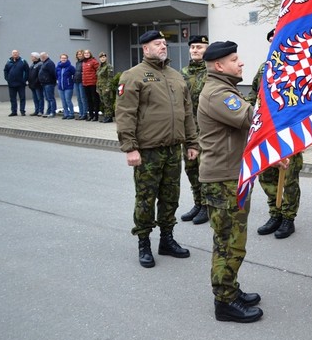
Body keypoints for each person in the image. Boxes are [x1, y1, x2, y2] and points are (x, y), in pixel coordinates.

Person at [115, 30, 199, 269]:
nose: (163, 47)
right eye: (157, 44)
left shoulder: (176, 76)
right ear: (145, 49)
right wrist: (130, 148)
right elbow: (125, 114)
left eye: (164, 43)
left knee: (170, 197)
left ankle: (167, 239)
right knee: (145, 198)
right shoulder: (133, 76)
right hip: (148, 150)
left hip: (173, 149)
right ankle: (144, 243)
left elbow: (187, 113)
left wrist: (192, 143)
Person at [197, 40, 268, 323]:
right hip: (224, 178)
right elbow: (253, 119)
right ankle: (224, 301)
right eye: (235, 59)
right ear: (219, 66)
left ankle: (230, 288)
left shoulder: (225, 89)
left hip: (232, 174)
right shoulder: (217, 94)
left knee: (231, 239)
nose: (240, 63)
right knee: (229, 241)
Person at [248, 28, 303, 240]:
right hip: (265, 130)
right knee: (267, 174)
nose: (274, 42)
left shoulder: (296, 66)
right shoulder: (264, 68)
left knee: (288, 177)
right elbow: (254, 91)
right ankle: (275, 212)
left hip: (289, 131)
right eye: (271, 39)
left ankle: (288, 218)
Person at [179, 35, 210, 225]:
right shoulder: (182, 73)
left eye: (199, 47)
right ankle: (197, 203)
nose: (195, 50)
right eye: (192, 47)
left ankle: (207, 205)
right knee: (191, 168)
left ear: (207, 49)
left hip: (207, 130)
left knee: (204, 168)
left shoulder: (213, 71)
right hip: (189, 130)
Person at [3, 49, 29, 116]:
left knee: (22, 98)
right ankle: (14, 111)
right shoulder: (8, 62)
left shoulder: (23, 61)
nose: (15, 54)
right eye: (14, 53)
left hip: (21, 83)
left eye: (16, 53)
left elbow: (27, 71)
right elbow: (5, 71)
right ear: (11, 54)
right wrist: (7, 79)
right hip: (11, 84)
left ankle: (22, 111)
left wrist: (24, 80)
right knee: (12, 98)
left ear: (18, 54)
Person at [55, 53, 76, 119]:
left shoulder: (70, 67)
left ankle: (71, 114)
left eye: (65, 58)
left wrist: (70, 81)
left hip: (68, 87)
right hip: (60, 87)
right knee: (63, 101)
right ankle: (66, 114)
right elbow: (56, 75)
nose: (63, 59)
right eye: (62, 58)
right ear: (60, 59)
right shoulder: (58, 67)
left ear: (67, 59)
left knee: (68, 100)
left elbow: (75, 74)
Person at [82, 49, 100, 122]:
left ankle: (96, 116)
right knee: (89, 100)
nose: (86, 54)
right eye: (85, 53)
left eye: (88, 53)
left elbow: (98, 71)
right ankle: (91, 115)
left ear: (90, 54)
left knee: (95, 99)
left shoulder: (94, 61)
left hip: (93, 83)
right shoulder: (83, 62)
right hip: (86, 83)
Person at [96, 52, 115, 123]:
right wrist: (97, 87)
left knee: (107, 103)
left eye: (104, 57)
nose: (102, 58)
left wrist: (108, 88)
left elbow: (110, 78)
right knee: (103, 102)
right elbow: (98, 78)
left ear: (106, 58)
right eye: (101, 57)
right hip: (100, 87)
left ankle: (109, 117)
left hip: (106, 87)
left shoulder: (108, 66)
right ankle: (106, 116)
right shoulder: (99, 67)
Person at [38, 52, 57, 118]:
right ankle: (48, 111)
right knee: (48, 98)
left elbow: (53, 73)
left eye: (41, 57)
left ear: (44, 56)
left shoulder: (49, 63)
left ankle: (52, 112)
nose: (41, 58)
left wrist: (52, 81)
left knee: (51, 98)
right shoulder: (44, 63)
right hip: (44, 83)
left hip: (49, 83)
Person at [28, 52, 44, 116]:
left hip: (37, 85)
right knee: (35, 99)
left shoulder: (40, 64)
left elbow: (39, 75)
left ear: (35, 57)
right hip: (32, 84)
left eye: (32, 56)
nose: (31, 58)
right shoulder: (32, 64)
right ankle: (36, 110)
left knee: (39, 98)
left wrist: (37, 82)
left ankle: (40, 111)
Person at [73, 50, 88, 120]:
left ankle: (85, 113)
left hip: (82, 81)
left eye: (80, 54)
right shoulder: (77, 63)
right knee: (78, 98)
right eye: (78, 54)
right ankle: (81, 113)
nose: (79, 55)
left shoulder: (84, 62)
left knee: (83, 98)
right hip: (76, 81)